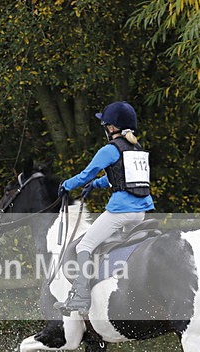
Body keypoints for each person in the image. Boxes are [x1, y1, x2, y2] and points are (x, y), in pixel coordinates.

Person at [55, 101, 154, 315]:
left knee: (85, 246)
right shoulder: (136, 148)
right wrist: (97, 184)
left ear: (111, 128)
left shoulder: (110, 149)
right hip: (140, 213)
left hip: (120, 212)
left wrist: (66, 185)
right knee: (107, 246)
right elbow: (123, 179)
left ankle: (81, 297)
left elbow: (86, 174)